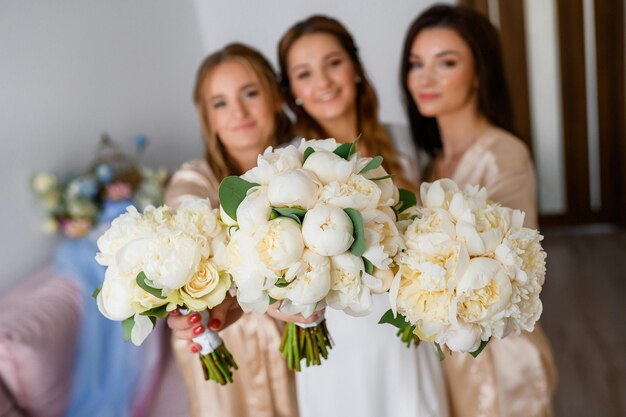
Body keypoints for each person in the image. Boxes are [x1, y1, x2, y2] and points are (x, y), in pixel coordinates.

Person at [275, 15, 449, 417]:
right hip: (337, 335)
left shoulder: (405, 140)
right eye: (304, 73)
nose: (323, 82)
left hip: (406, 327)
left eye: (333, 63)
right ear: (292, 91)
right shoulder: (288, 167)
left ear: (355, 68)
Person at [399, 4, 557, 417]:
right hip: (455, 352)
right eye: (416, 64)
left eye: (445, 62)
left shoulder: (503, 154)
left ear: (479, 73)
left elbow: (507, 266)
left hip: (502, 359)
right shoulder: (432, 164)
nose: (425, 79)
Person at [164, 43, 301, 417]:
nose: (238, 112)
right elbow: (186, 245)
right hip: (226, 340)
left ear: (275, 97)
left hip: (298, 336)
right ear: (207, 117)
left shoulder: (308, 169)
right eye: (220, 103)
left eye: (250, 94)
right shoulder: (194, 179)